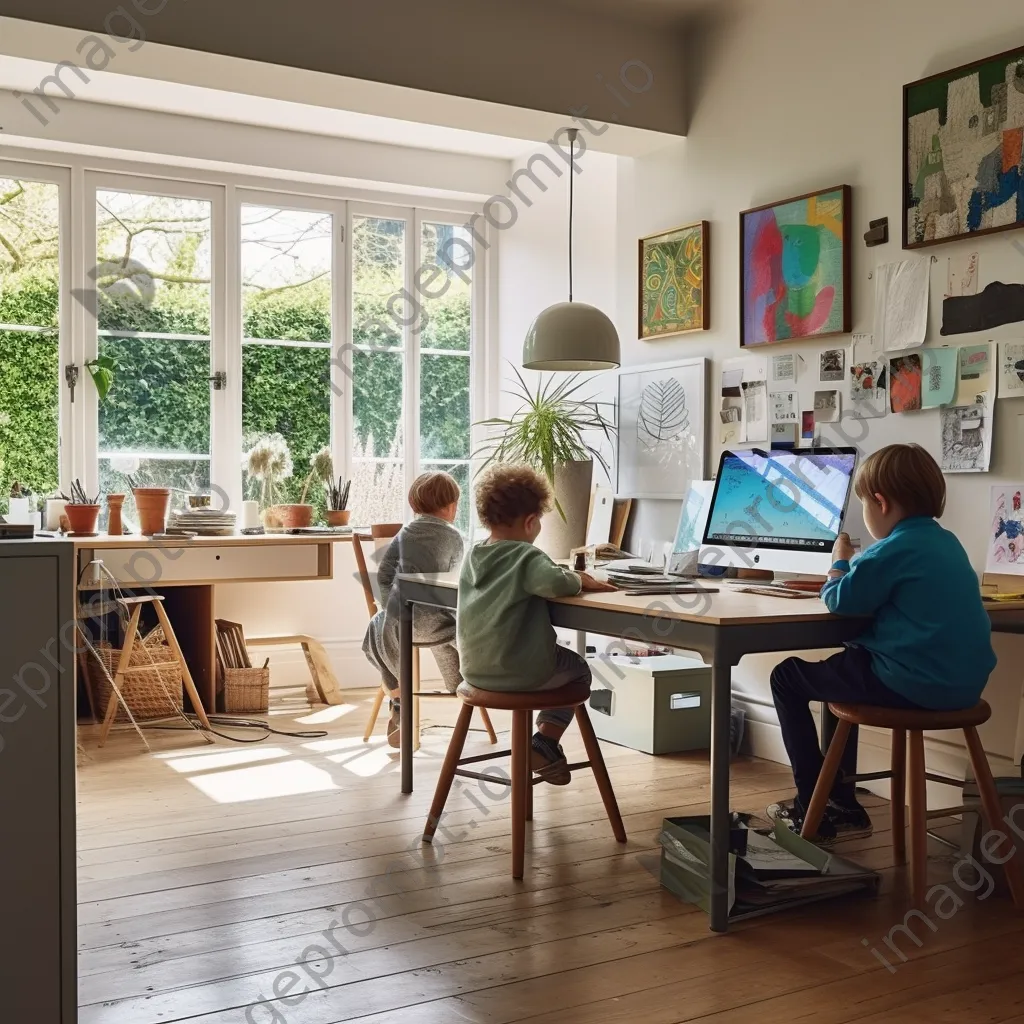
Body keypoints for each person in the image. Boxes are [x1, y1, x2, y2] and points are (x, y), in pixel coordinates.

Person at [767, 443, 996, 843]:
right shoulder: (949, 544)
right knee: (846, 669)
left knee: (787, 677)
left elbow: (839, 599)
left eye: (864, 506)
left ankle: (812, 806)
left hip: (910, 684)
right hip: (964, 688)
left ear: (880, 502)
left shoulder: (892, 549)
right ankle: (841, 800)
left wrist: (840, 560)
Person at [458, 464, 615, 784]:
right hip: (522, 670)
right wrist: (581, 579)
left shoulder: (474, 554)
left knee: (561, 664)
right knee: (580, 670)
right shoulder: (526, 557)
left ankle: (542, 744)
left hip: (475, 670)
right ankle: (545, 739)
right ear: (531, 522)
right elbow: (556, 584)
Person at [362, 471, 464, 747]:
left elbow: (383, 576)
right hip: (437, 626)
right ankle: (458, 685)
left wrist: (390, 605)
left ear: (414, 506)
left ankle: (397, 694)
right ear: (452, 506)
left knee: (375, 626)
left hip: (398, 626)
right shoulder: (454, 537)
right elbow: (454, 585)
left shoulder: (405, 532)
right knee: (451, 634)